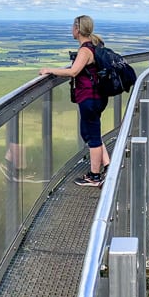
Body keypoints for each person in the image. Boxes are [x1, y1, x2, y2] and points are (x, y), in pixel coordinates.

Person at [39, 15, 110, 187]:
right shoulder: (93, 46)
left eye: (72, 26)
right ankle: (108, 164)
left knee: (92, 136)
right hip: (96, 97)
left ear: (77, 29)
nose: (71, 29)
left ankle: (94, 177)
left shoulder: (85, 50)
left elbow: (73, 72)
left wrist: (50, 70)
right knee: (89, 132)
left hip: (89, 97)